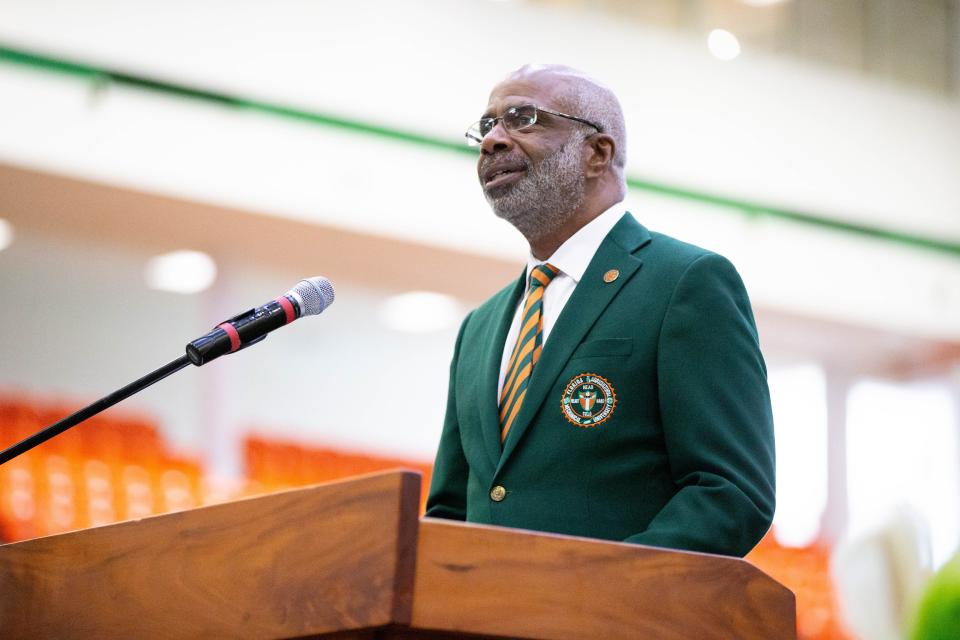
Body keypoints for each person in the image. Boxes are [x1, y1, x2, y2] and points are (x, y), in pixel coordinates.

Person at [425, 64, 775, 557]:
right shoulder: (479, 328)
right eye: (486, 127)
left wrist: (597, 593)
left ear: (597, 153)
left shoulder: (684, 283)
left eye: (522, 118)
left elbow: (730, 493)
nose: (492, 141)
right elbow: (450, 512)